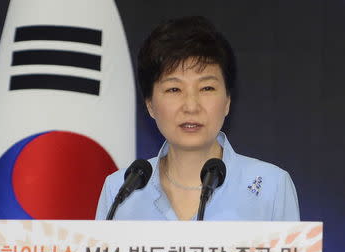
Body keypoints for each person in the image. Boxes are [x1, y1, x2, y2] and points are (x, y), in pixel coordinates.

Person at [96, 16, 300, 221]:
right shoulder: (120, 191)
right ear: (150, 104)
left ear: (228, 100)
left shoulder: (271, 188)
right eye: (174, 89)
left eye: (206, 88)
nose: (191, 106)